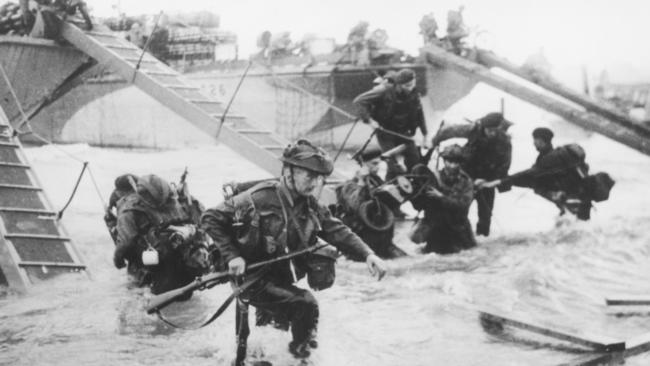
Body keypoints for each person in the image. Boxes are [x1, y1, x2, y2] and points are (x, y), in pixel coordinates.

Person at [201, 139, 387, 360]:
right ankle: (302, 358)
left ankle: (264, 358)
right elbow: (210, 218)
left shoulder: (308, 204)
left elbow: (335, 229)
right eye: (309, 175)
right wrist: (233, 257)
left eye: (318, 177)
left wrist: (368, 254)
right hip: (252, 279)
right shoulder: (259, 198)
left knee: (271, 337)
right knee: (305, 304)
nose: (314, 182)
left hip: (279, 279)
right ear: (289, 172)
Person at [112, 174, 209, 292]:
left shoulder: (129, 209)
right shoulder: (184, 201)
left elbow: (125, 243)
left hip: (156, 272)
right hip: (189, 268)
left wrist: (118, 260)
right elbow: (205, 225)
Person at [480, 127, 594, 220]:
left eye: (534, 140)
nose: (533, 143)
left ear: (540, 140)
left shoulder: (550, 158)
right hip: (576, 198)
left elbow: (529, 175)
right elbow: (531, 178)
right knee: (575, 227)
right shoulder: (548, 156)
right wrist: (502, 181)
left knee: (576, 227)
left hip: (574, 200)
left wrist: (498, 182)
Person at [431, 112, 512, 236]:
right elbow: (449, 130)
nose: (492, 133)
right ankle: (457, 236)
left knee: (485, 213)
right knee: (459, 208)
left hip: (487, 178)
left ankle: (482, 237)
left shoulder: (505, 141)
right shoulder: (473, 129)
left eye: (495, 130)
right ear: (483, 127)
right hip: (467, 175)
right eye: (489, 130)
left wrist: (487, 182)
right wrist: (435, 140)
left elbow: (504, 166)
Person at [353, 68, 429, 181]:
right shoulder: (384, 91)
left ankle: (414, 188)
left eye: (412, 84)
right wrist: (369, 121)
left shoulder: (414, 94)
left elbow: (420, 114)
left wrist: (425, 135)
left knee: (415, 161)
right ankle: (389, 190)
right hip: (386, 133)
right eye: (407, 85)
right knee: (393, 166)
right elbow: (359, 101)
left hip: (404, 133)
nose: (411, 88)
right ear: (398, 85)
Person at [334, 147, 408, 260]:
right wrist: (362, 181)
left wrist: (401, 174)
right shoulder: (349, 185)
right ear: (363, 164)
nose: (377, 167)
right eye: (373, 164)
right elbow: (356, 204)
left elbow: (394, 200)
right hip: (362, 243)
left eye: (378, 164)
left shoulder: (378, 181)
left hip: (383, 241)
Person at [410, 144, 476, 254]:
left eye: (455, 162)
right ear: (444, 161)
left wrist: (441, 197)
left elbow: (463, 205)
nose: (452, 166)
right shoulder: (433, 178)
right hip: (437, 228)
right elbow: (419, 205)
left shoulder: (466, 181)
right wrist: (415, 193)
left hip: (459, 228)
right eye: (449, 161)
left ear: (460, 163)